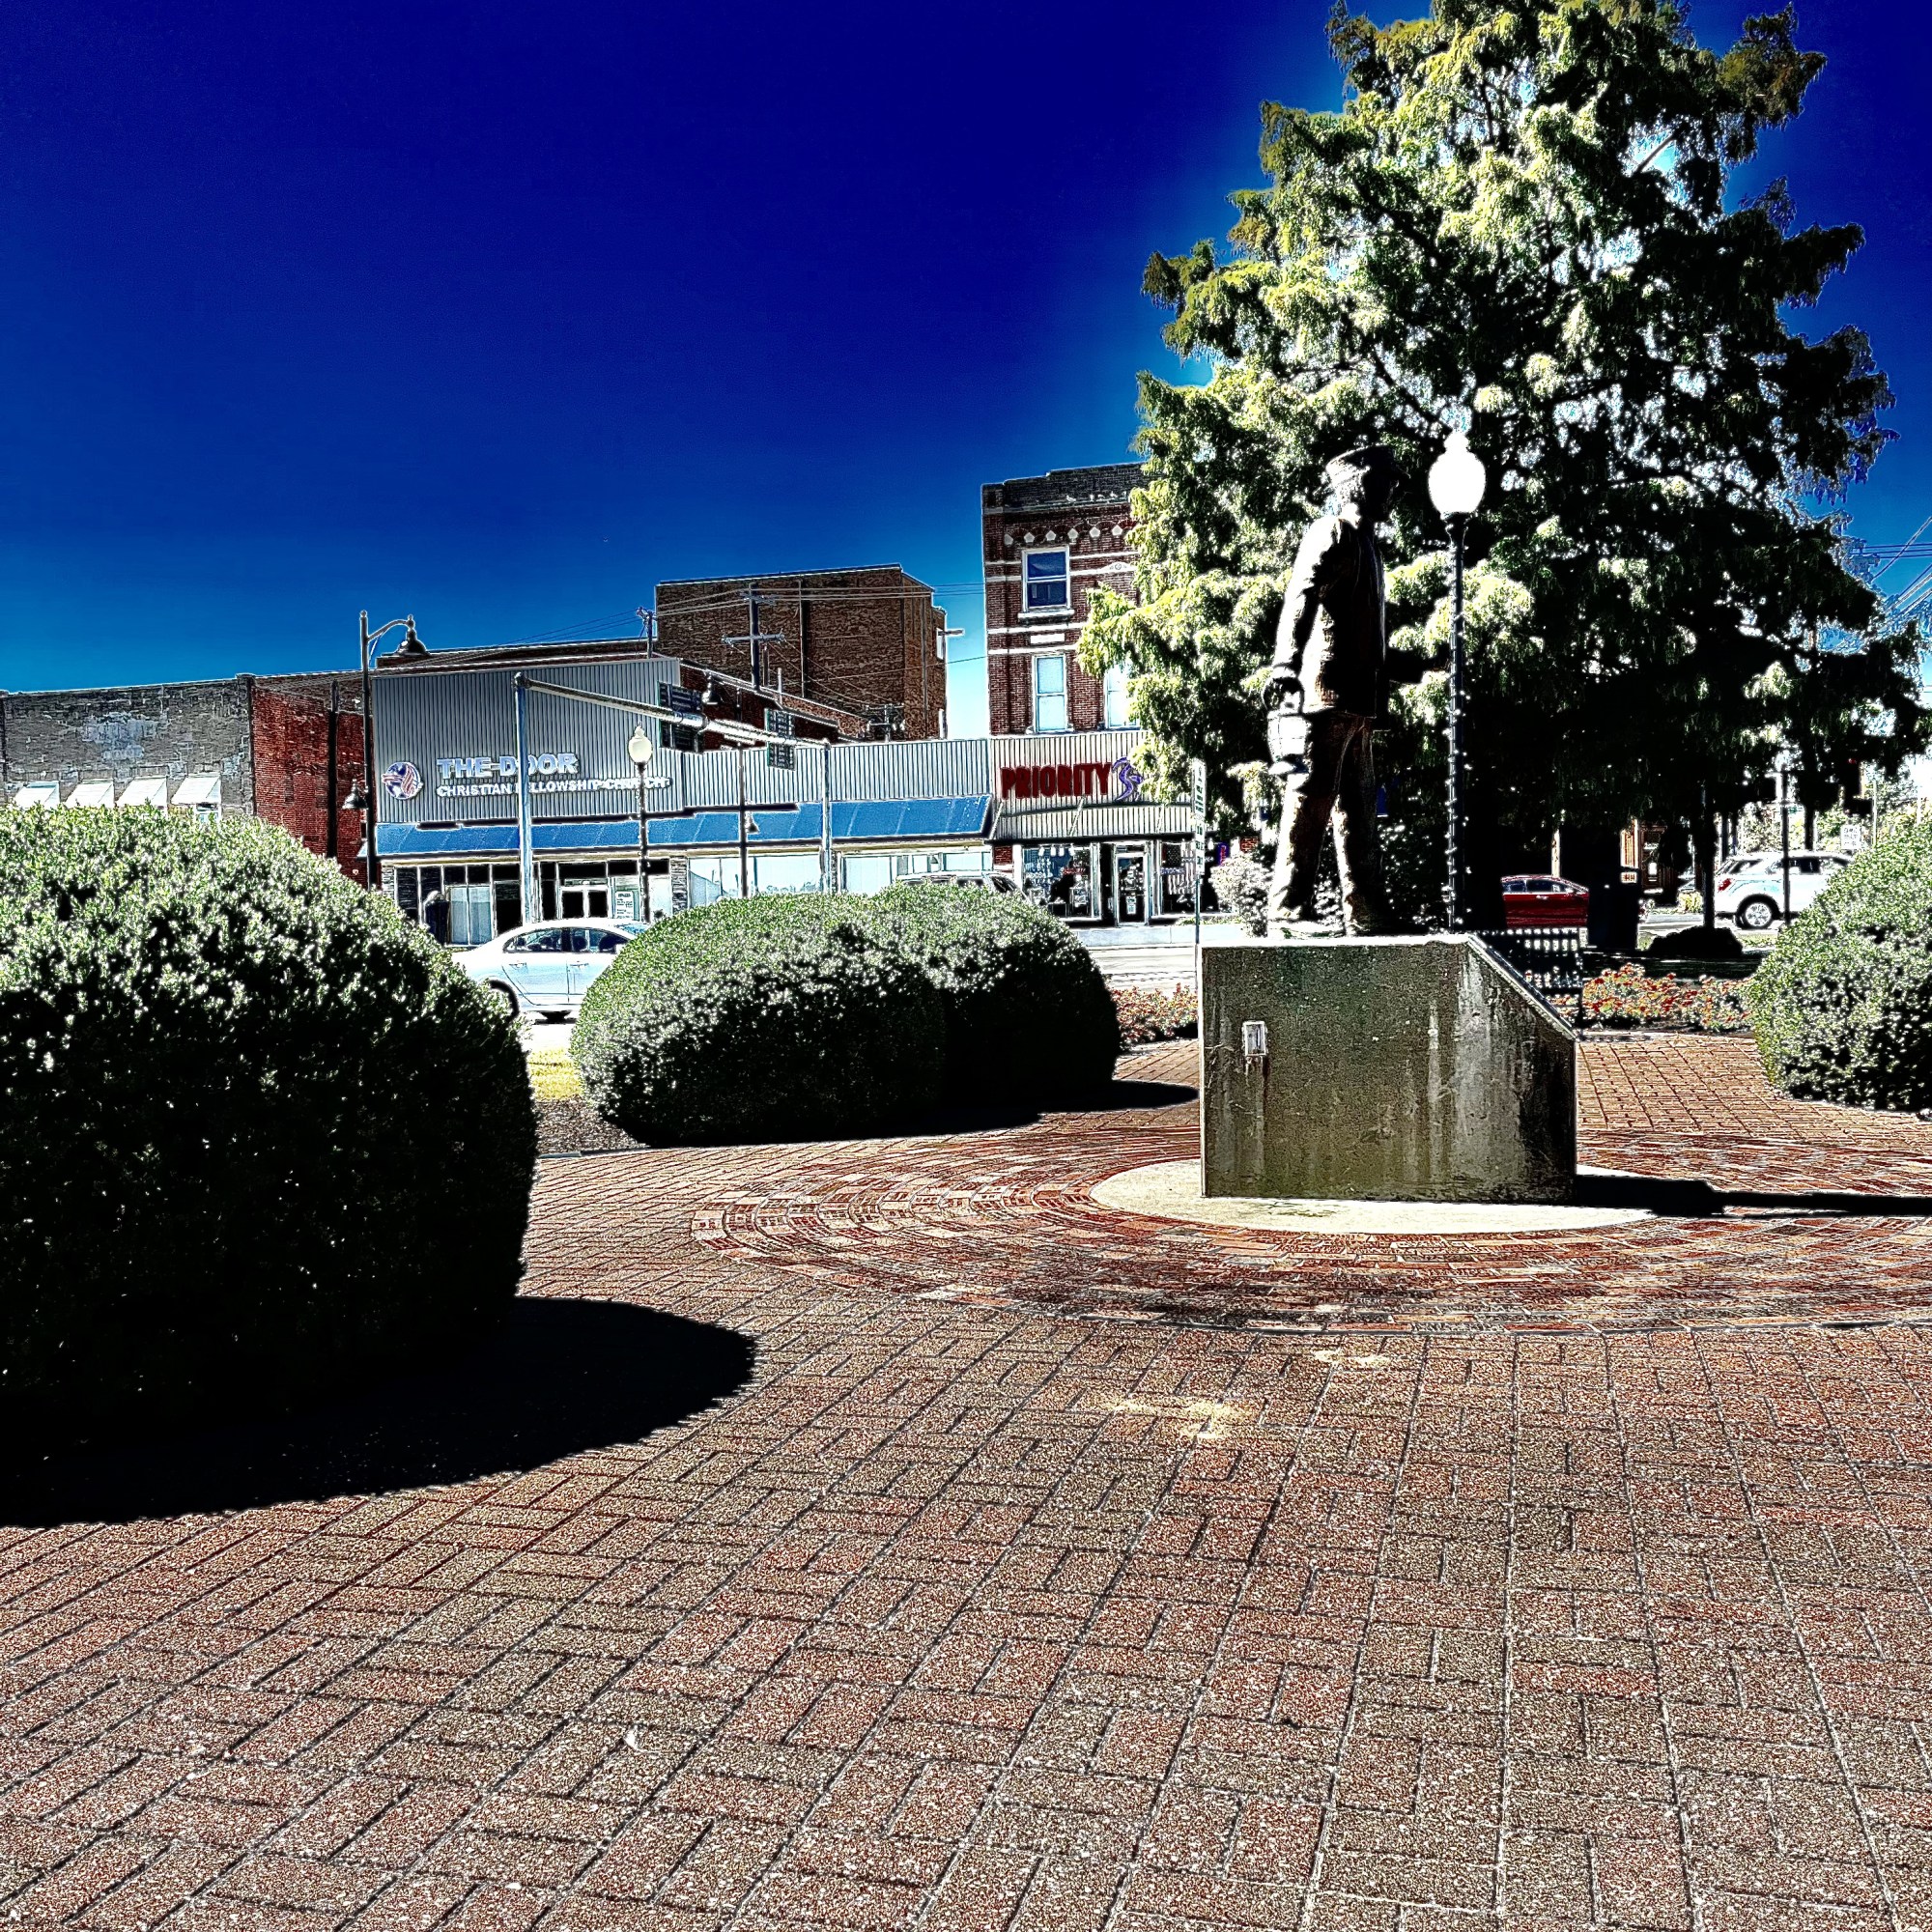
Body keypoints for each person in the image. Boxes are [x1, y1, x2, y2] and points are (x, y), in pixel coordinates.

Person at [1264, 444, 1402, 937]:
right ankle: (1286, 910)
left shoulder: (1371, 549)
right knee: (1310, 799)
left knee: (1359, 811)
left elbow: (1369, 638)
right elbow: (1300, 595)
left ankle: (1365, 912)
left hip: (1359, 703)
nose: (1393, 490)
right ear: (1360, 483)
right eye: (1386, 481)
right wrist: (1284, 663)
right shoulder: (1332, 532)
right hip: (1325, 696)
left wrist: (1417, 667)